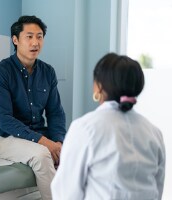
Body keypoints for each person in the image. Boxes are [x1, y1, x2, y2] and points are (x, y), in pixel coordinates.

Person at [51, 53, 166, 200]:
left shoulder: (86, 128)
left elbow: (65, 193)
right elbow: (158, 189)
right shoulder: (154, 132)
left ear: (98, 87)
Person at [0, 15, 66, 200]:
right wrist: (46, 143)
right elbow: (5, 120)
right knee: (41, 156)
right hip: (6, 138)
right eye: (29, 36)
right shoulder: (1, 72)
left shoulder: (48, 72)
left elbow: (55, 113)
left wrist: (59, 143)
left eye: (39, 37)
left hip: (40, 135)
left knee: (70, 153)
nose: (35, 42)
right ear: (15, 40)